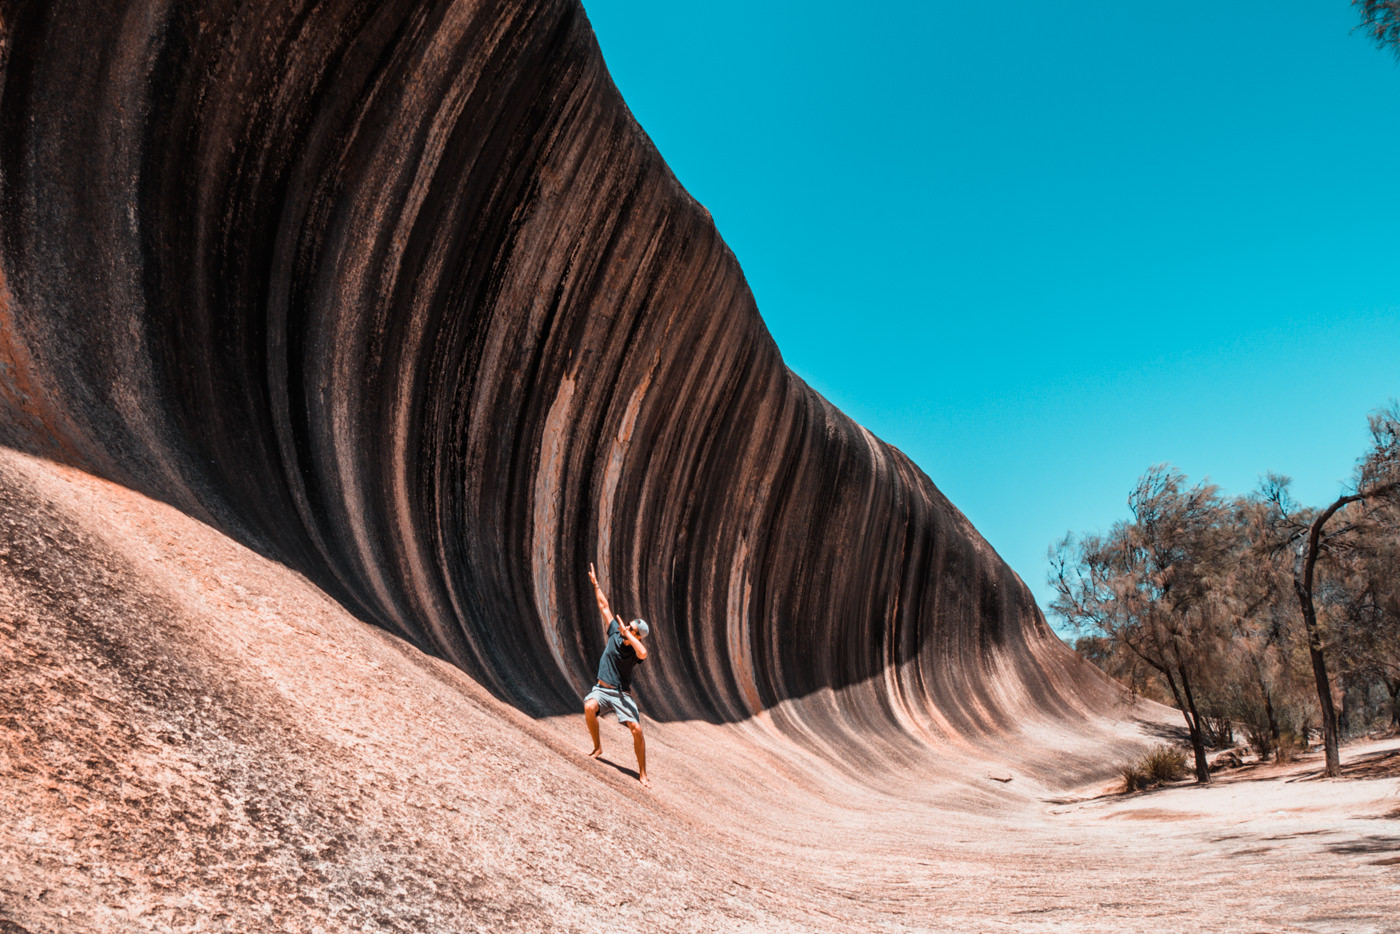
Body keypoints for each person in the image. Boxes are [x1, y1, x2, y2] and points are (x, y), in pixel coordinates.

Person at [583, 562, 651, 787]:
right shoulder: (614, 631)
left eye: (632, 629)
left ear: (637, 636)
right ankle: (597, 747)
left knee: (637, 729)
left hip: (622, 695)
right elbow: (604, 607)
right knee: (589, 707)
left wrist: (628, 635)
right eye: (629, 626)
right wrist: (596, 585)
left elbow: (643, 652)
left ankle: (642, 773)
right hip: (602, 689)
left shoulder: (635, 650)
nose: (627, 628)